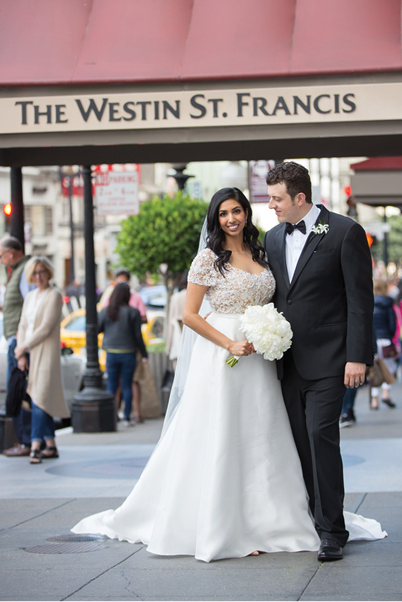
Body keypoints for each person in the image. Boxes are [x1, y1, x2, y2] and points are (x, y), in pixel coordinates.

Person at [73, 186, 385, 561]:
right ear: (214, 218)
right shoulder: (208, 259)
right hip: (225, 358)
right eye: (223, 213)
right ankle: (226, 524)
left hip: (265, 359)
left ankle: (274, 519)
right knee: (224, 435)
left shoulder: (262, 248)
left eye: (237, 210)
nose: (231, 219)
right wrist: (228, 343)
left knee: (265, 438)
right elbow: (188, 315)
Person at [263, 163, 383, 562]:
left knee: (321, 438)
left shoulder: (345, 232)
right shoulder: (272, 237)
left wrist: (357, 357)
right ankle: (310, 519)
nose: (271, 205)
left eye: (277, 198)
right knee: (298, 443)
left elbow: (359, 301)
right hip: (285, 362)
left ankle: (333, 530)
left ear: (300, 198)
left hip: (333, 361)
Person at [15, 257, 67, 464]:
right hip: (28, 350)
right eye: (35, 273)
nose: (39, 276)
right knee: (37, 398)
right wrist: (20, 352)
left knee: (40, 397)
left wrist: (23, 346)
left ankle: (36, 445)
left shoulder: (54, 295)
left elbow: (45, 328)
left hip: (45, 352)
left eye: (42, 272)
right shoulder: (30, 296)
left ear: (49, 273)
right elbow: (22, 325)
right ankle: (51, 444)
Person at [1, 237, 34, 458]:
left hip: (18, 342)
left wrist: (20, 345)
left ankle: (27, 441)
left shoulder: (25, 271)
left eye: (1, 255)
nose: (1, 260)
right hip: (16, 341)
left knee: (20, 391)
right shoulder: (17, 272)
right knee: (18, 390)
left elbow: (29, 307)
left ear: (11, 253)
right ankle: (27, 441)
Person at [98, 282, 148, 426]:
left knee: (112, 385)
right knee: (127, 384)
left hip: (111, 353)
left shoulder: (106, 311)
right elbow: (138, 335)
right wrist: (144, 354)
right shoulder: (133, 312)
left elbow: (97, 329)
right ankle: (127, 417)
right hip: (128, 352)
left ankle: (111, 416)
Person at [371, 279, 397, 409]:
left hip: (371, 341)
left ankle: (374, 400)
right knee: (389, 368)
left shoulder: (367, 303)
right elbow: (392, 325)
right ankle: (385, 394)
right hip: (385, 340)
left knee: (374, 371)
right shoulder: (388, 303)